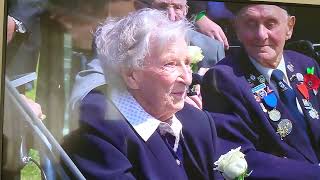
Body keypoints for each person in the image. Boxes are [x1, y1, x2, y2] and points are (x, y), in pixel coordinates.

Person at [63, 9, 219, 179]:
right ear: (131, 75)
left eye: (187, 63)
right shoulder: (97, 129)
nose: (188, 79)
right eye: (170, 64)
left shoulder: (197, 121)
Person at [201, 3, 320, 179]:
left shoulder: (306, 65)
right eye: (250, 23)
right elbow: (239, 157)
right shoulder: (222, 79)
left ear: (289, 27)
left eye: (271, 24)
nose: (261, 35)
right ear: (237, 29)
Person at [69, 0, 225, 110]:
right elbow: (84, 95)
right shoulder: (117, 43)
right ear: (140, 7)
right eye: (162, 7)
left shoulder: (212, 49)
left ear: (186, 10)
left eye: (177, 7)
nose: (170, 16)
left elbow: (222, 108)